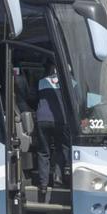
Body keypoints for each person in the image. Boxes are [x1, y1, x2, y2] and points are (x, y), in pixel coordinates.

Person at [34, 63, 69, 197]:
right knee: (61, 148)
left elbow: (34, 98)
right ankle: (58, 179)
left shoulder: (42, 82)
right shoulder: (70, 82)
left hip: (42, 119)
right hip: (60, 119)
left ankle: (43, 185)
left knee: (43, 152)